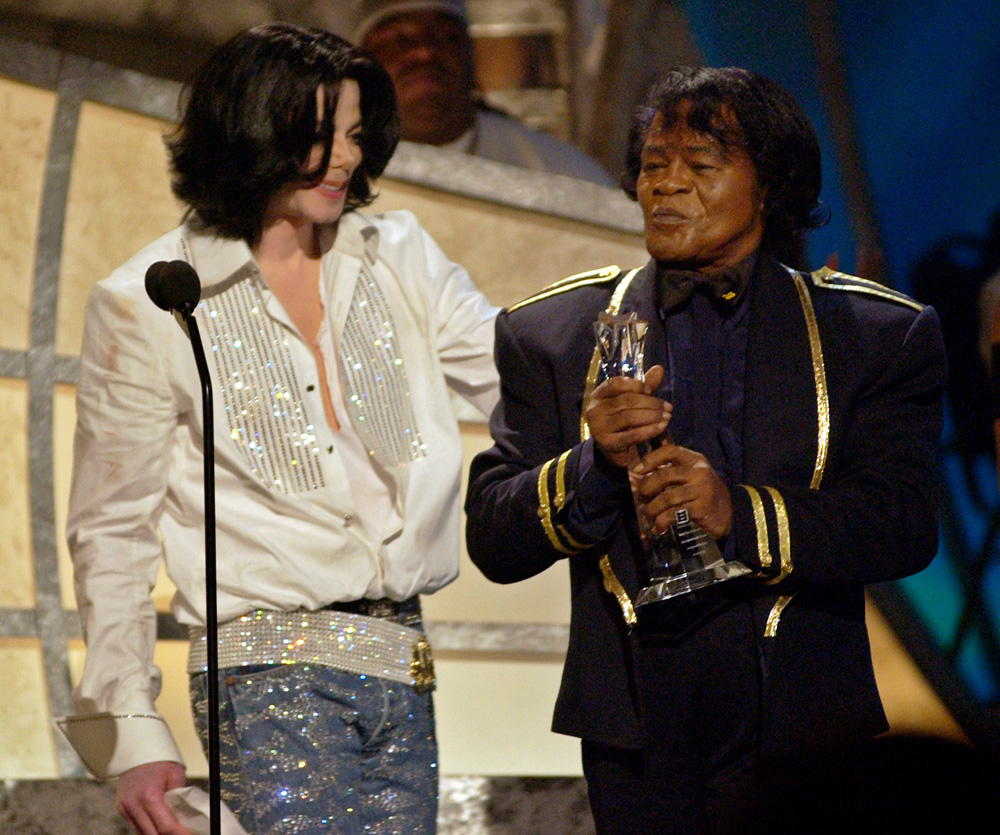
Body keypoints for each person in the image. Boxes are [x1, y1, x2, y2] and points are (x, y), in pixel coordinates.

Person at [464, 66, 946, 833]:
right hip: (634, 737)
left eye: (700, 165)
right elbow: (491, 533)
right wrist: (592, 466)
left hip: (805, 732)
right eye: (654, 166)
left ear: (771, 187)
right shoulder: (553, 333)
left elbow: (904, 520)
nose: (667, 187)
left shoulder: (874, 337)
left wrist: (739, 514)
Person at [65, 22, 498, 835]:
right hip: (265, 680)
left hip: (403, 667)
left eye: (356, 135)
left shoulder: (396, 255)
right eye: (319, 134)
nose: (344, 158)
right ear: (252, 128)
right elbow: (111, 529)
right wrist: (130, 729)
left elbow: (521, 374)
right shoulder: (153, 297)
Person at [349, 0, 614, 185]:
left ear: (471, 58)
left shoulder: (563, 172)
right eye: (399, 40)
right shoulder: (337, 174)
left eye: (446, 37)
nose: (424, 53)